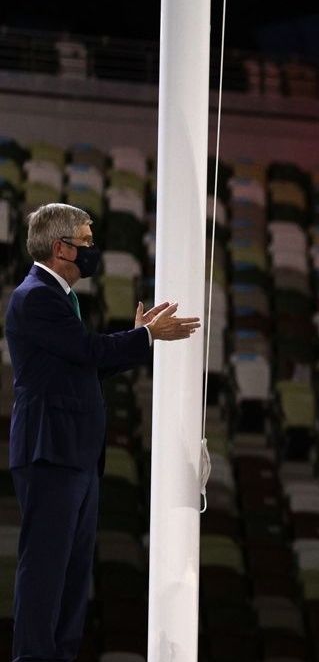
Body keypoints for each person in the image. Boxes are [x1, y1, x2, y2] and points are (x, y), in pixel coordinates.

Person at [6, 203, 200, 661]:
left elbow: (80, 366)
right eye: (86, 242)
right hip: (49, 452)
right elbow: (87, 349)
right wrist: (148, 337)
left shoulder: (61, 299)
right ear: (61, 248)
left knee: (74, 576)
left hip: (73, 454)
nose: (93, 250)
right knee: (46, 570)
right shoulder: (35, 296)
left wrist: (134, 338)